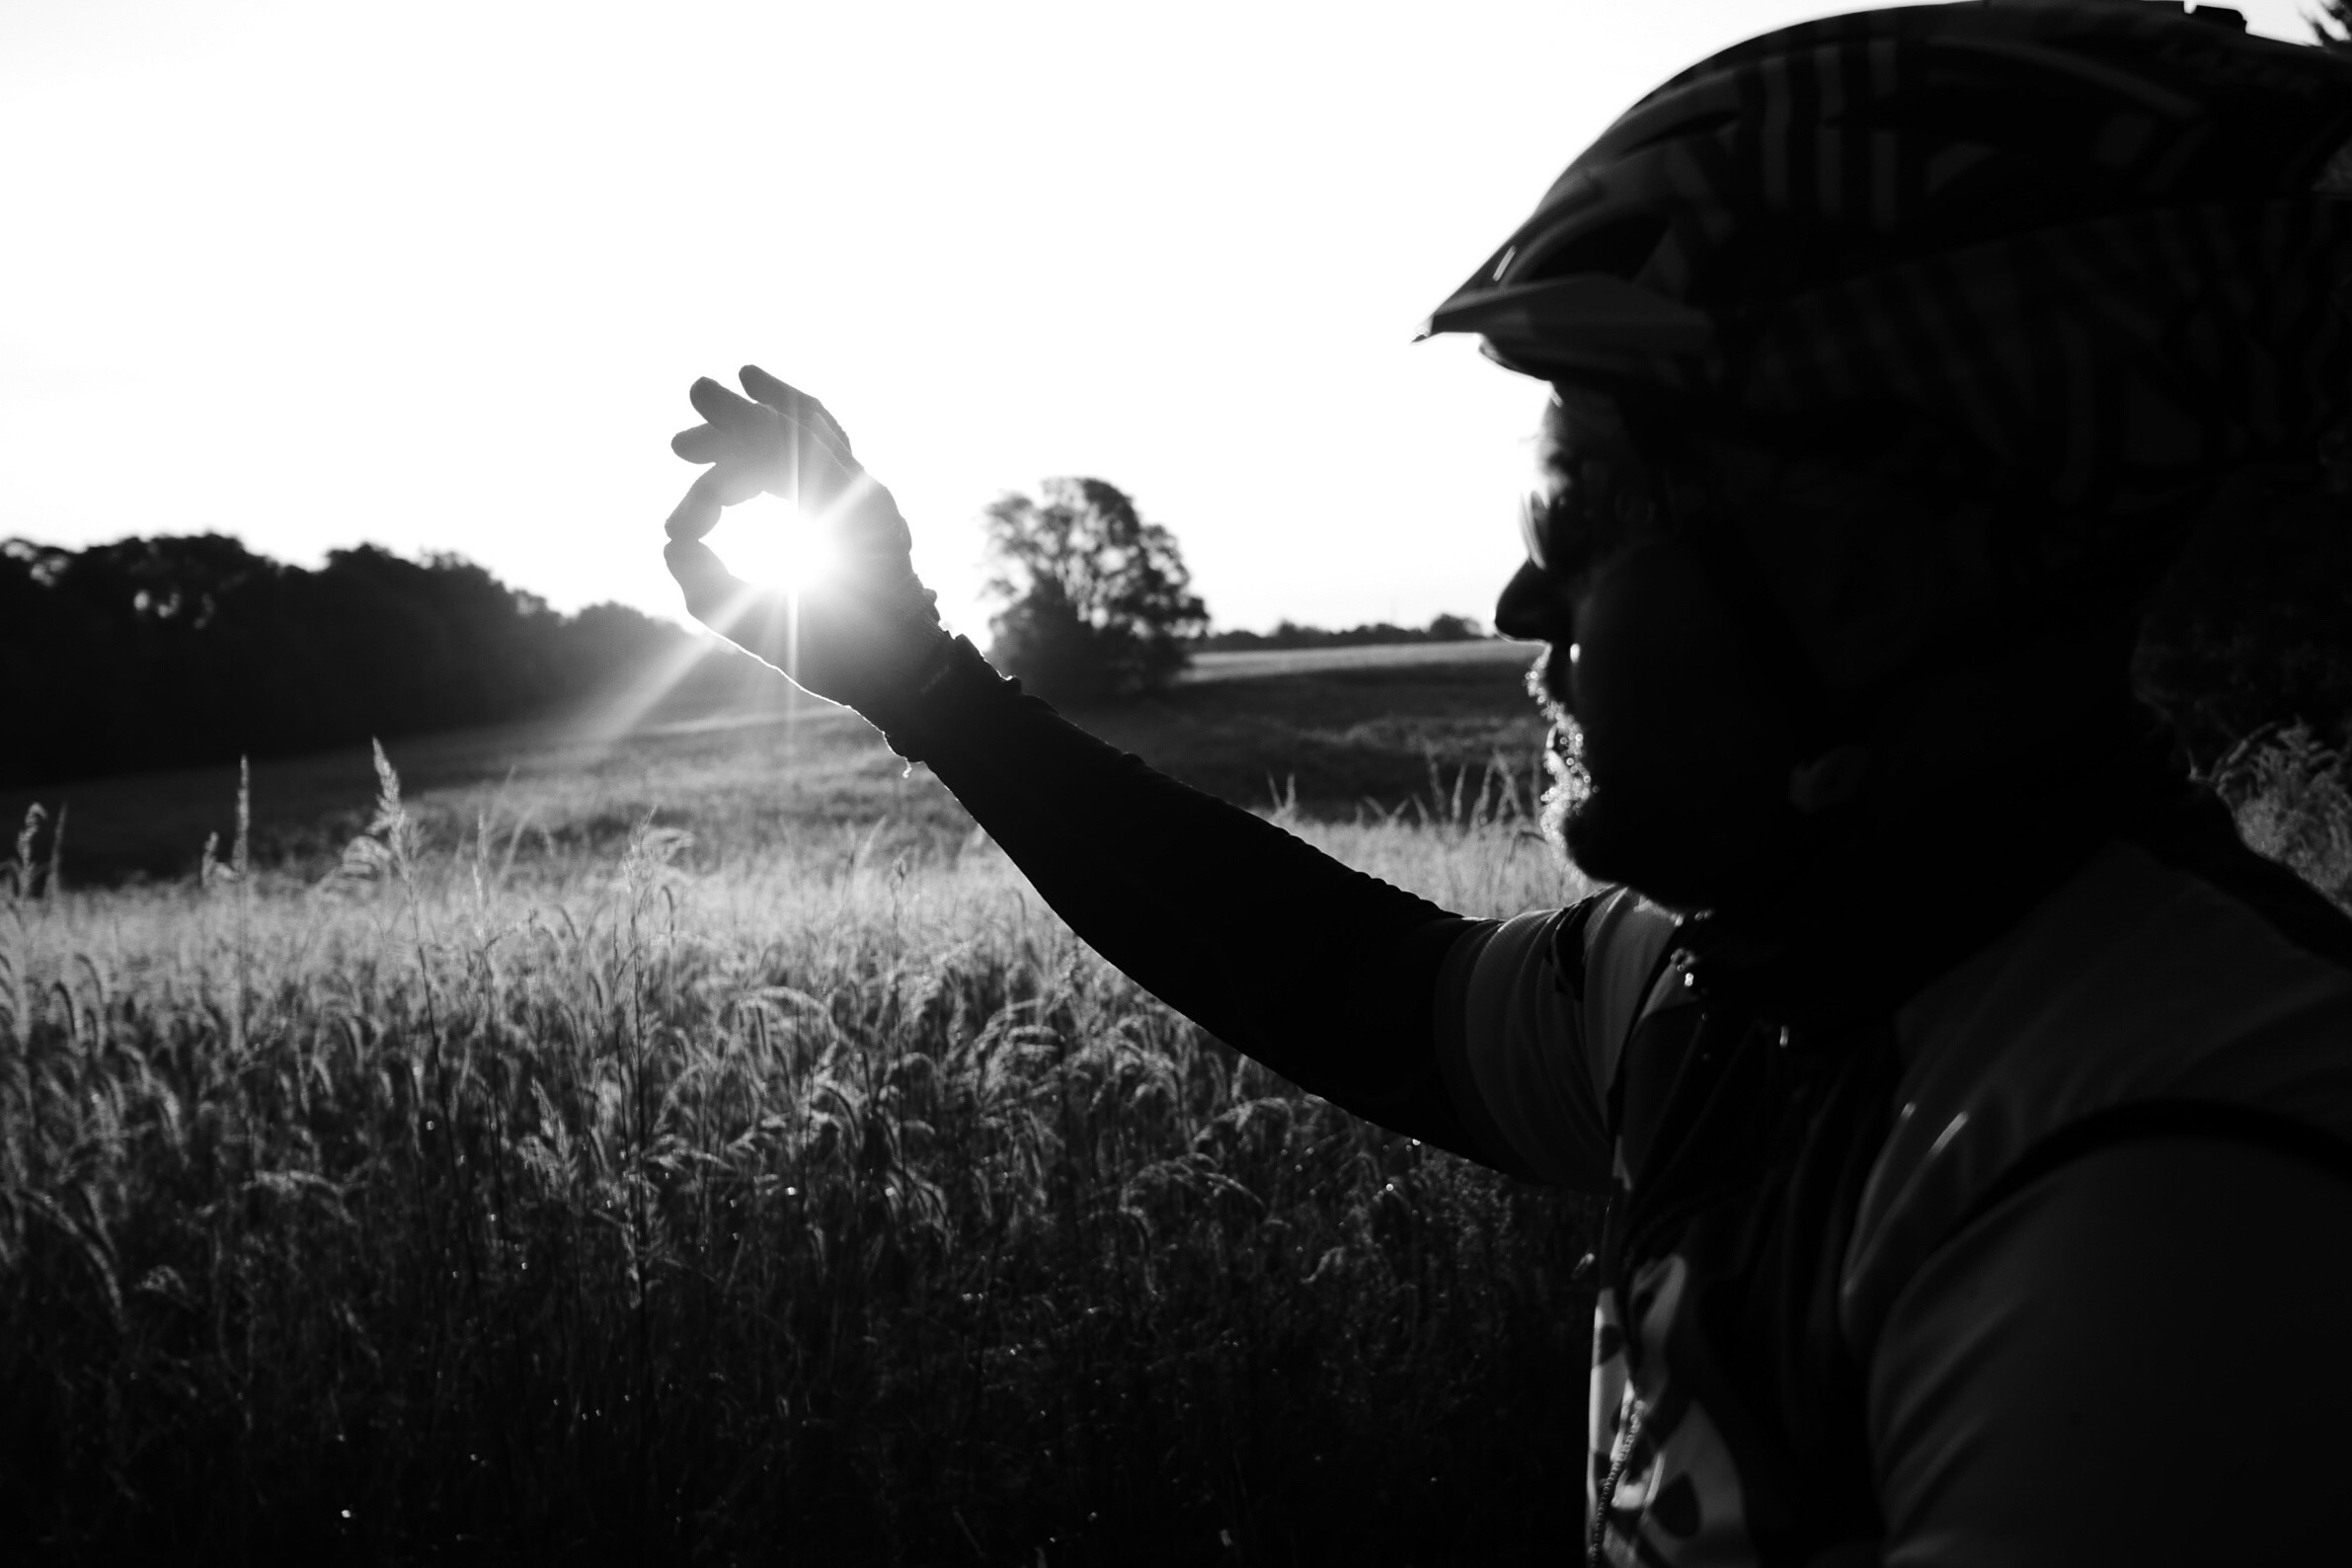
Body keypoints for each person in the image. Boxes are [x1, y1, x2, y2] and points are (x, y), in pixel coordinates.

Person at [661, 5, 2352, 1562]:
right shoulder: (1758, 977)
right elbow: (1357, 986)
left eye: (1586, 511)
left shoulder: (2174, 1186)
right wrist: (922, 687)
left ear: (1863, 582)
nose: (1521, 601)